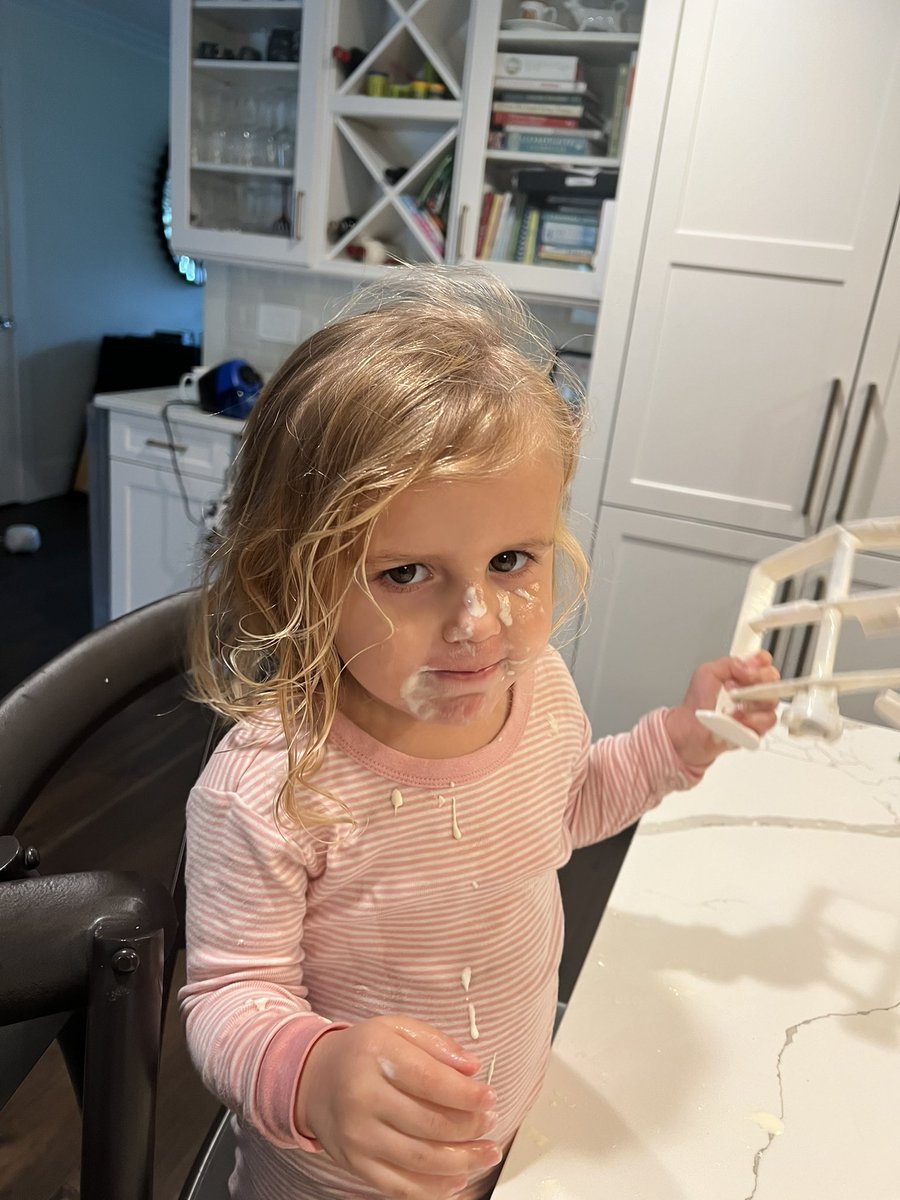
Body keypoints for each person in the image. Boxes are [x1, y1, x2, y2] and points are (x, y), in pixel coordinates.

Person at [180, 266, 779, 1200]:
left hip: (513, 1132)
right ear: (292, 576)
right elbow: (226, 995)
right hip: (341, 1180)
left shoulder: (535, 687)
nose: (480, 622)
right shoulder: (268, 786)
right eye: (408, 572)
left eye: (511, 560)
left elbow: (564, 808)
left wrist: (677, 740)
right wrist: (313, 1069)